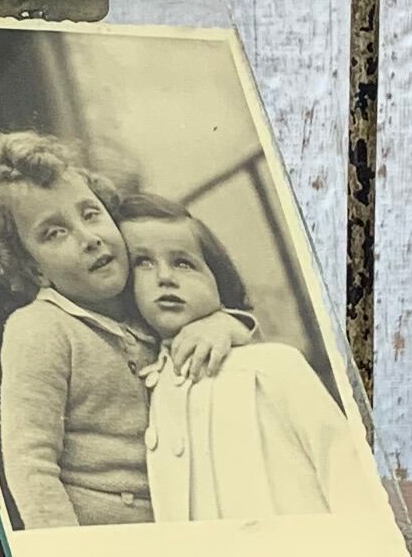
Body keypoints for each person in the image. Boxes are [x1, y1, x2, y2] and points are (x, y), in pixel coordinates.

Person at [0, 132, 253, 528]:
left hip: (186, 518)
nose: (89, 239)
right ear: (34, 268)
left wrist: (224, 323)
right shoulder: (39, 328)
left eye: (90, 214)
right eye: (54, 233)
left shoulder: (141, 300)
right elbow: (30, 466)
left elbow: (213, 311)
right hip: (107, 538)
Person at [120, 192, 381, 528]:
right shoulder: (144, 383)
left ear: (219, 279)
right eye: (142, 262)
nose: (164, 277)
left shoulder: (272, 366)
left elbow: (347, 473)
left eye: (183, 262)